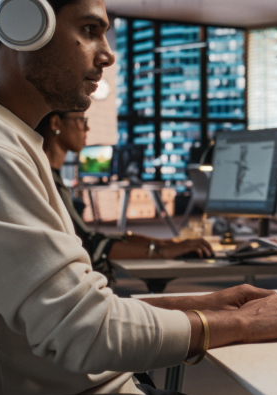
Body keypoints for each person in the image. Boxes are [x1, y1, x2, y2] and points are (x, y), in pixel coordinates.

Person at [0, 0, 277, 395]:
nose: (108, 54)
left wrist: (211, 305)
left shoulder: (3, 137)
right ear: (22, 24)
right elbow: (87, 332)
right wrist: (239, 325)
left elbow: (78, 307)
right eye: (88, 30)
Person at [35, 110, 214, 283]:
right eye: (81, 120)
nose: (87, 128)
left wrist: (163, 243)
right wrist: (161, 251)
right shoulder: (47, 183)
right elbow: (87, 245)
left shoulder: (51, 177)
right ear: (56, 123)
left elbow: (87, 236)